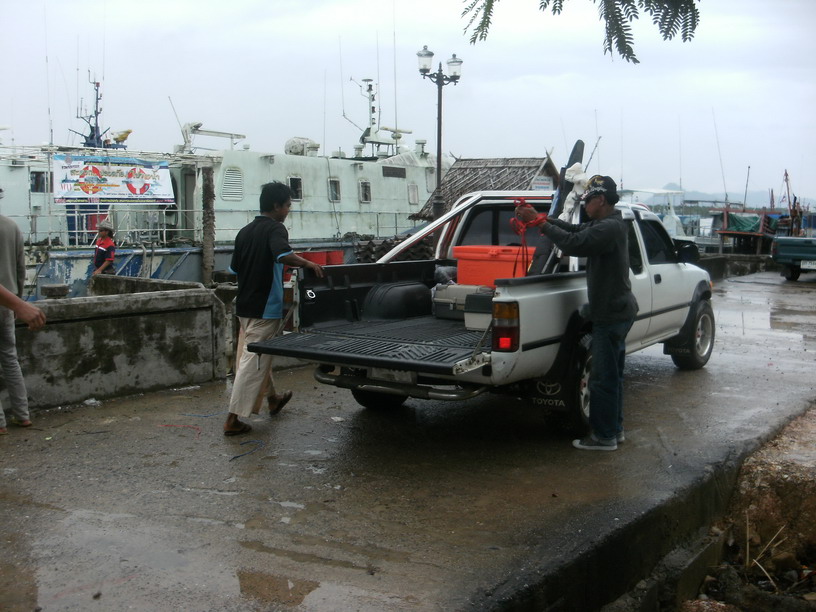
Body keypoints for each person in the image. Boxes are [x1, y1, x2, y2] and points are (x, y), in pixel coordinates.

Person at [515, 175, 638, 451]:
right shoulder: (608, 223)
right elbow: (574, 231)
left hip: (610, 314)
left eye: (588, 200)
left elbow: (574, 244)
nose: (585, 205)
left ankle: (603, 437)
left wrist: (539, 222)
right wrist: (542, 219)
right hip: (618, 311)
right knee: (612, 376)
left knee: (602, 379)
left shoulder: (608, 229)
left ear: (601, 200)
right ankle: (613, 431)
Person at [224, 182, 325, 436]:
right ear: (277, 206)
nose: (288, 210)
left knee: (257, 355)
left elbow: (235, 269)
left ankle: (273, 399)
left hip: (244, 305)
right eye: (288, 205)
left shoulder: (244, 231)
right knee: (253, 361)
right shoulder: (276, 229)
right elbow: (282, 255)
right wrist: (306, 263)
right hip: (264, 307)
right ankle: (233, 419)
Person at [0, 214, 46, 435]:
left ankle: (0, 423)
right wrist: (18, 302)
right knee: (10, 358)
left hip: (7, 300)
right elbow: (21, 269)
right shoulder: (11, 225)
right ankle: (23, 415)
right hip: (9, 304)